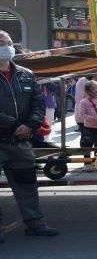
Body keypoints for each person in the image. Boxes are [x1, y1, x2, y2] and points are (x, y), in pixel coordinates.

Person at [0, 31, 59, 240]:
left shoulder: (26, 74)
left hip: (21, 143)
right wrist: (16, 125)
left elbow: (38, 102)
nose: (6, 46)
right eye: (1, 43)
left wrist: (30, 125)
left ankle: (35, 223)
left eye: (8, 42)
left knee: (27, 185)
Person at [76, 80, 97, 171]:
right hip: (89, 127)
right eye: (94, 88)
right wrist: (95, 119)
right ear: (87, 91)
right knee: (87, 145)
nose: (96, 90)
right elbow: (82, 115)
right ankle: (87, 163)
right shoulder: (83, 102)